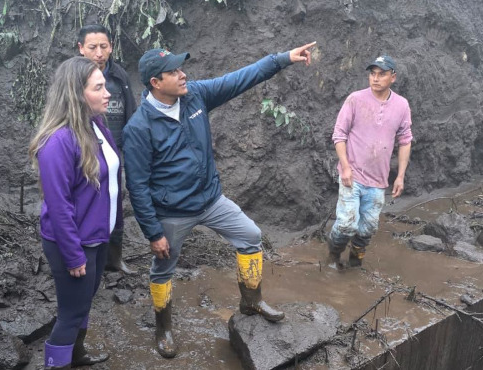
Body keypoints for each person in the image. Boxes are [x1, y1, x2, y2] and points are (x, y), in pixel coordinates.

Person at [124, 41, 317, 358]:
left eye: (181, 67)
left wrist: (283, 59)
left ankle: (251, 300)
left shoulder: (195, 95)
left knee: (251, 236)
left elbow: (241, 78)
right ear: (156, 83)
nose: (183, 74)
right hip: (173, 211)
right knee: (162, 269)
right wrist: (153, 233)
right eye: (174, 71)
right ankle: (163, 328)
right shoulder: (139, 127)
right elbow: (138, 185)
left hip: (211, 199)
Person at [28, 57, 120, 370]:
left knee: (84, 302)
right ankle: (57, 362)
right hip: (73, 243)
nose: (108, 93)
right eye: (99, 87)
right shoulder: (58, 142)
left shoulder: (97, 126)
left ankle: (77, 356)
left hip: (96, 237)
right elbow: (58, 204)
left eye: (105, 85)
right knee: (70, 313)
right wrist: (73, 255)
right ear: (77, 94)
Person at [327, 55, 413, 269]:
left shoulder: (402, 105)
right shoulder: (355, 99)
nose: (375, 78)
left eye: (381, 74)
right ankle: (332, 258)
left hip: (378, 180)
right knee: (346, 225)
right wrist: (345, 168)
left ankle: (355, 265)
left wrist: (400, 176)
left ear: (393, 77)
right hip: (352, 175)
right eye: (372, 74)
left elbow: (405, 141)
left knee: (367, 229)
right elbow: (339, 135)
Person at [76, 24, 136, 275]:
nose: (99, 53)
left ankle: (113, 259)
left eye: (104, 47)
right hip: (84, 150)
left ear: (111, 47)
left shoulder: (119, 76)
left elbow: (130, 112)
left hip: (114, 151)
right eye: (92, 47)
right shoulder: (74, 76)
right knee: (86, 204)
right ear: (81, 49)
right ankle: (81, 258)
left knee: (115, 203)